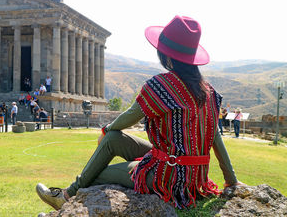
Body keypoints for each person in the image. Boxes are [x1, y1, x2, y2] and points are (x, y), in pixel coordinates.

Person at [36, 15, 242, 210]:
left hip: (168, 176)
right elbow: (215, 136)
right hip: (195, 177)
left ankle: (66, 197)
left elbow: (129, 117)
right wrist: (231, 180)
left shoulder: (162, 86)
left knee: (97, 174)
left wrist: (106, 129)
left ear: (166, 54)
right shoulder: (210, 92)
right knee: (114, 138)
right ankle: (66, 195)